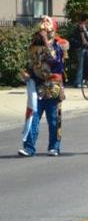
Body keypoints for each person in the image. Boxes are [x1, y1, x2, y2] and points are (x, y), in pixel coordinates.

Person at [18, 16, 68, 157]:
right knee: (33, 117)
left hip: (53, 88)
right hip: (37, 87)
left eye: (47, 21)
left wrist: (46, 40)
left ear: (53, 27)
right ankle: (29, 148)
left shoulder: (59, 44)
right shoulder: (34, 44)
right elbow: (31, 63)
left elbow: (55, 60)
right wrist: (26, 73)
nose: (43, 24)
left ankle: (54, 147)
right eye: (43, 21)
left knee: (53, 120)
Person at [73, 13, 88, 87]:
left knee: (81, 65)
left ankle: (79, 81)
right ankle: (78, 82)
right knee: (81, 65)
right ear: (86, 19)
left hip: (82, 48)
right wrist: (87, 43)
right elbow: (82, 38)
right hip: (81, 48)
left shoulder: (83, 26)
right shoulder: (81, 26)